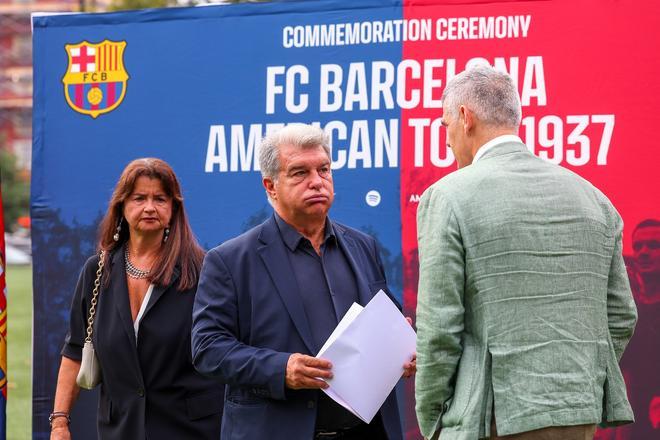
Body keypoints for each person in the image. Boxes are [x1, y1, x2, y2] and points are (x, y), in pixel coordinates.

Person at [414, 65, 637, 440]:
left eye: (445, 125)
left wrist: (431, 419)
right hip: (577, 415)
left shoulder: (447, 197)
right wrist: (575, 383)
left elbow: (439, 329)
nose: (448, 141)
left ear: (465, 118)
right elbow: (621, 315)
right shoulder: (595, 200)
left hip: (491, 418)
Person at [191, 123, 414, 440]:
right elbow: (207, 348)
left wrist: (401, 345)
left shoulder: (363, 245)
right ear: (271, 186)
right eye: (299, 173)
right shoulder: (230, 261)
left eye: (324, 169)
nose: (317, 182)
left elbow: (388, 317)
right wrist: (280, 369)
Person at [50, 158, 223, 440]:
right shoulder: (96, 271)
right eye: (139, 198)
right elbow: (75, 352)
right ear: (121, 206)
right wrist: (60, 423)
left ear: (173, 208)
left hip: (190, 429)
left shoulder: (201, 270)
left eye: (160, 199)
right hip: (120, 429)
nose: (150, 207)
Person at [619, 219, 660, 438]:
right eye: (638, 246)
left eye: (654, 246)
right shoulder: (629, 309)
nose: (643, 252)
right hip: (631, 423)